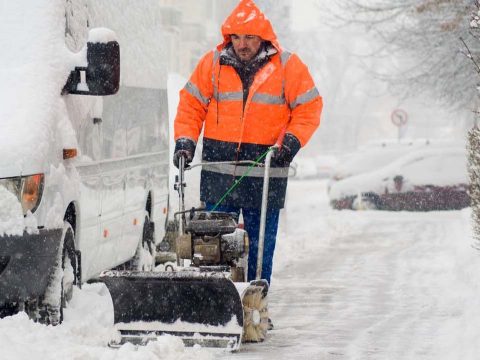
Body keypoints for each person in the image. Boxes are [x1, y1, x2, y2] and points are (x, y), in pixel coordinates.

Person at [173, 0, 322, 289]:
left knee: (259, 249)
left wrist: (290, 142)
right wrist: (185, 141)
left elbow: (309, 107)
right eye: (237, 37)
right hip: (219, 174)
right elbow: (191, 105)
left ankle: (255, 303)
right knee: (213, 247)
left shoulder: (288, 66)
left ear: (263, 38)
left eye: (250, 37)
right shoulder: (212, 64)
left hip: (266, 174)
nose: (242, 44)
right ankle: (217, 301)